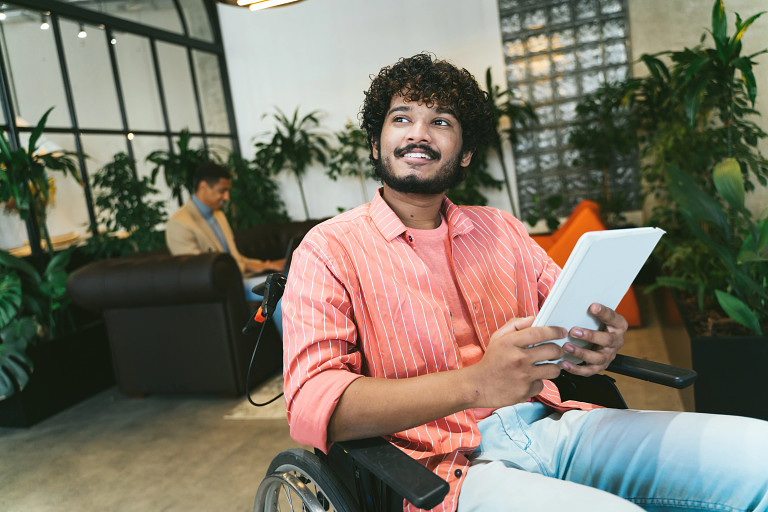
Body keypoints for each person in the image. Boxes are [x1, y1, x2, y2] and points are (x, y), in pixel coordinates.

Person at [281, 53, 768, 512]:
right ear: (375, 142)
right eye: (402, 118)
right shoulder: (328, 249)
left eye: (441, 121)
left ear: (466, 152)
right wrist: (475, 384)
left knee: (759, 454)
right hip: (441, 466)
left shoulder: (502, 230)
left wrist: (596, 340)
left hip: (556, 423)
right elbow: (311, 405)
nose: (419, 134)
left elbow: (568, 315)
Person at [165, 162, 283, 304]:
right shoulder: (179, 224)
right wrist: (250, 266)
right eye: (222, 191)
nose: (227, 197)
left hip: (239, 280)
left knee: (287, 280)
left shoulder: (218, 215)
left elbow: (233, 257)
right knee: (279, 292)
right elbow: (198, 271)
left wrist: (265, 264)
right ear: (203, 187)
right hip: (220, 290)